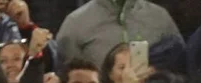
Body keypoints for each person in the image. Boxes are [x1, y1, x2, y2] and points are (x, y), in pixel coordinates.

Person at [56, 0, 184, 68]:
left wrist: (159, 79)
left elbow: (181, 70)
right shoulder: (76, 23)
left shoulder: (160, 17)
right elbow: (67, 80)